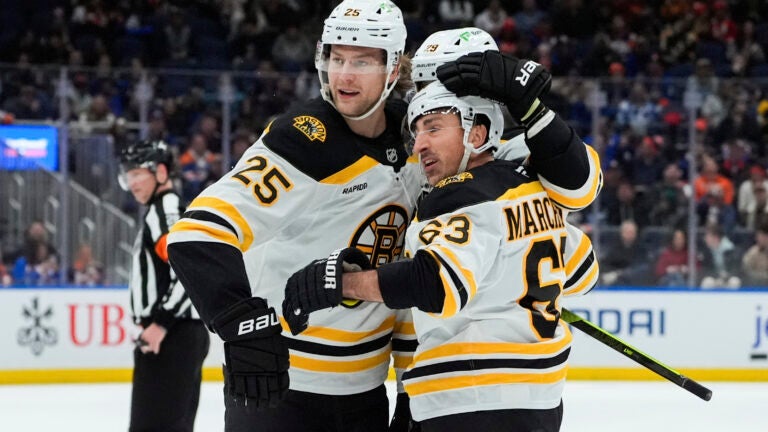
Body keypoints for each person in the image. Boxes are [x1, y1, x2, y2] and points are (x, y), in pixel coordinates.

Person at [168, 2, 421, 431]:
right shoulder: (303, 139)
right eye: (336, 58)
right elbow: (197, 233)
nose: (343, 75)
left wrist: (411, 387)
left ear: (393, 69)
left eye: (361, 61)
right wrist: (239, 321)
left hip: (366, 393)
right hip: (281, 390)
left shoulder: (415, 135)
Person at [283, 82, 593, 432]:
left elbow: (435, 284)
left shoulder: (457, 194)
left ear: (477, 133)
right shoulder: (535, 192)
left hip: (473, 398)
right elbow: (583, 272)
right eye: (416, 132)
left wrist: (342, 285)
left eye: (433, 127)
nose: (419, 146)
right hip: (542, 399)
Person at [118, 139, 210, 432]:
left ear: (159, 172)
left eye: (136, 174)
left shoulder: (165, 211)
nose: (131, 183)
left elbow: (189, 270)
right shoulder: (164, 209)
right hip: (176, 336)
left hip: (172, 337)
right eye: (127, 175)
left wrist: (160, 324)